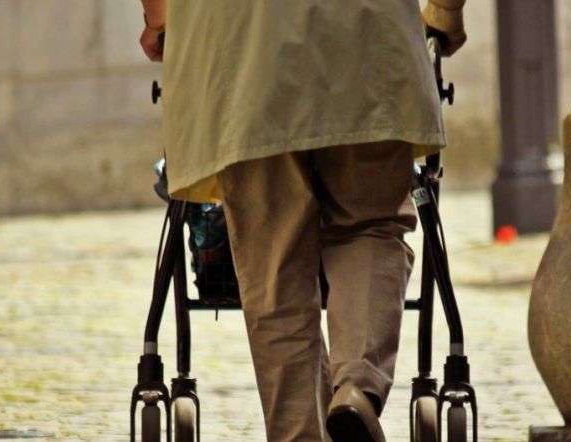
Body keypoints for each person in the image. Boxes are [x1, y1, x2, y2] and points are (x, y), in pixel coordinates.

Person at [139, 1, 466, 440]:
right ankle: (357, 388)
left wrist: (159, 20)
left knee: (274, 261)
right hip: (367, 36)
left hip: (242, 53)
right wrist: (445, 11)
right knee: (370, 225)